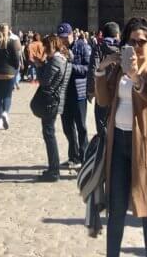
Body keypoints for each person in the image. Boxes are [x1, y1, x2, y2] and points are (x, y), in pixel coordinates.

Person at [94, 17, 147, 257]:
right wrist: (102, 69)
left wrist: (136, 78)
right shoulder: (120, 67)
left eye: (141, 41)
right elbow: (103, 100)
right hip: (118, 142)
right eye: (131, 42)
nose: (136, 46)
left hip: (145, 144)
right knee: (117, 209)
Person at [36, 33, 72, 182]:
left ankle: (54, 170)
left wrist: (40, 66)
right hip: (55, 101)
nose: (44, 49)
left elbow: (45, 82)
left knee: (49, 135)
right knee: (49, 134)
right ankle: (53, 168)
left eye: (45, 46)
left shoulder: (55, 61)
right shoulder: (63, 59)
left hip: (50, 102)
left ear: (52, 46)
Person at [57, 22, 91, 166]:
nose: (64, 40)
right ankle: (73, 156)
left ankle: (84, 157)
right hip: (64, 92)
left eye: (65, 37)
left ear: (72, 35)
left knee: (81, 126)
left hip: (79, 93)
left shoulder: (82, 46)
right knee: (67, 126)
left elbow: (88, 68)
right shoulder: (59, 49)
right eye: (61, 38)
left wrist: (70, 66)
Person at [88, 21, 121, 136]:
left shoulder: (99, 48)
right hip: (118, 93)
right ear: (117, 34)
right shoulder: (122, 48)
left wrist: (91, 90)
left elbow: (93, 69)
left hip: (101, 92)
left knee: (102, 129)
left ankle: (103, 151)